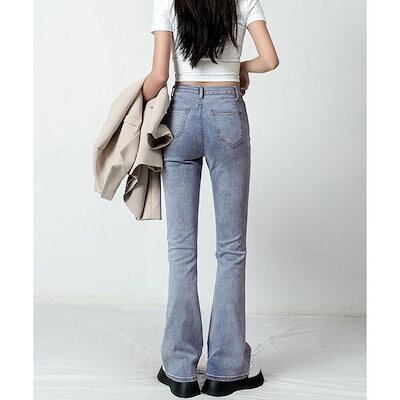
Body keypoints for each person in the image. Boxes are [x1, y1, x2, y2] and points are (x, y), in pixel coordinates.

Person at [144, 0, 279, 397]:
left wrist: (135, 104)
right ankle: (226, 370)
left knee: (180, 249)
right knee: (231, 250)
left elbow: (158, 76)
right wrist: (242, 68)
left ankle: (180, 371)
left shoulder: (167, 2)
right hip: (227, 112)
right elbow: (270, 60)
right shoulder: (244, 1)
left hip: (181, 114)